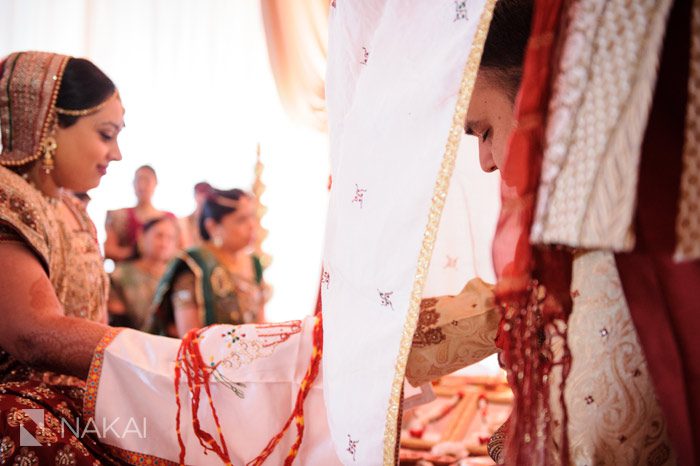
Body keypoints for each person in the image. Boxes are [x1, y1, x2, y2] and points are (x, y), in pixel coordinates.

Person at [0, 51, 125, 464]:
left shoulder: (72, 211)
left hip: (70, 403)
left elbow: (93, 327)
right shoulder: (7, 197)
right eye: (106, 134)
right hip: (18, 413)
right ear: (49, 124)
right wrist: (160, 357)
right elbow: (33, 333)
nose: (117, 153)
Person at [150, 188, 267, 337]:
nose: (252, 226)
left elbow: (261, 326)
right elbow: (189, 337)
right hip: (206, 357)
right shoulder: (196, 265)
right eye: (241, 220)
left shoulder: (254, 263)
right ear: (212, 226)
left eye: (252, 217)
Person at [108, 215, 179, 331]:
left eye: (170, 238)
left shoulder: (177, 276)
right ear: (142, 236)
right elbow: (118, 322)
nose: (164, 243)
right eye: (159, 236)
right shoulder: (119, 275)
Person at [103, 164, 172, 261]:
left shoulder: (169, 219)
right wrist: (136, 253)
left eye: (147, 180)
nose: (142, 186)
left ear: (155, 183)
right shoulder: (119, 216)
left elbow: (182, 250)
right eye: (138, 180)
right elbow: (108, 250)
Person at [179, 180, 212, 248]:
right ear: (195, 196)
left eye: (206, 194)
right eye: (200, 194)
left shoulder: (214, 222)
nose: (203, 198)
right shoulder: (184, 221)